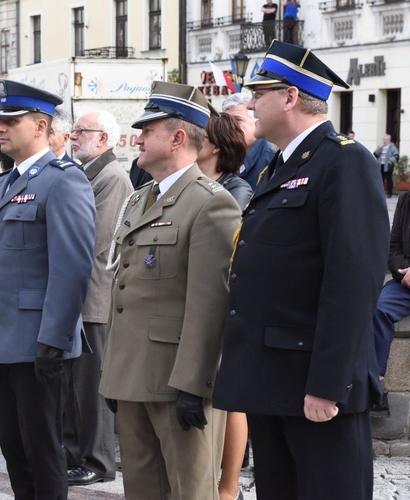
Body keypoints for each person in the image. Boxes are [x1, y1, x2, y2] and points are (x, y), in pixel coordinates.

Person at [213, 41, 389, 500]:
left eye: (260, 92)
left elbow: (352, 283)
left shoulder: (344, 161)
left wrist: (327, 386)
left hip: (315, 387)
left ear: (290, 97)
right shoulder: (278, 164)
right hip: (271, 380)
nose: (250, 103)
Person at [99, 81, 241, 499]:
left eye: (149, 129)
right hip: (133, 376)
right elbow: (124, 292)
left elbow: (210, 305)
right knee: (142, 490)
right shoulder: (141, 198)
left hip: (177, 382)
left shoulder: (210, 203)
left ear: (178, 137)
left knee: (190, 492)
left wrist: (195, 386)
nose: (138, 137)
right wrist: (113, 376)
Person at [0, 79, 95, 499]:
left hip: (38, 344)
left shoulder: (63, 181)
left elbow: (73, 267)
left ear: (41, 125)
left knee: (44, 453)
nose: (1, 128)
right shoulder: (2, 184)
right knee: (14, 452)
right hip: (2, 341)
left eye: (11, 120)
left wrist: (55, 340)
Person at [63, 110, 132, 486]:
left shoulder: (112, 177)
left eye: (81, 131)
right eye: (73, 131)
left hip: (95, 298)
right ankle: (75, 453)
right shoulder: (88, 172)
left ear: (103, 139)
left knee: (91, 387)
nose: (73, 137)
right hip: (78, 297)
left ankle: (99, 461)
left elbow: (99, 245)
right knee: (74, 384)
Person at [196, 112, 252, 500]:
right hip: (199, 299)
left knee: (231, 397)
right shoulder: (194, 182)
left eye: (201, 137)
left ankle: (228, 487)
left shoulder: (237, 188)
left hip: (230, 298)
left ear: (215, 146)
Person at [371, 189, 410, 417]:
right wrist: (406, 274)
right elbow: (393, 247)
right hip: (406, 281)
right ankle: (375, 388)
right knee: (377, 309)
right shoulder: (407, 200)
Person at [197, 113, 253, 211]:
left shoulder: (236, 189)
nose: (188, 140)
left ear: (216, 146)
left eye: (198, 135)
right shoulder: (184, 181)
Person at [222, 91, 276, 190]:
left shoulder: (271, 162)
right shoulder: (219, 157)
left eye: (238, 120)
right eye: (226, 121)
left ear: (256, 121)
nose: (230, 126)